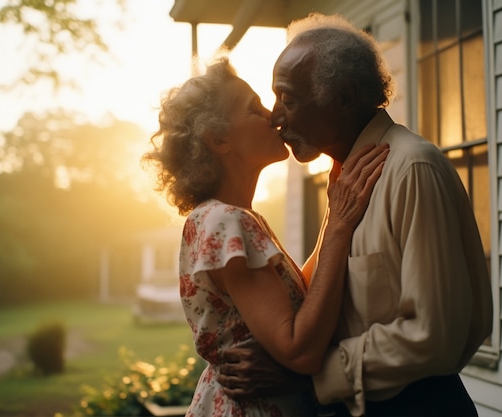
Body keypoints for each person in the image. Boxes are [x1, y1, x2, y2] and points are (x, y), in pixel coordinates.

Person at [217, 13, 494, 417]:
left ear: (344, 97)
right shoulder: (346, 181)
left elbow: (435, 335)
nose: (276, 116)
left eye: (288, 98)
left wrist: (310, 378)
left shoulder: (412, 169)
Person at [142, 57, 390, 416]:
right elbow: (298, 349)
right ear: (219, 140)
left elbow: (300, 295)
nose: (273, 116)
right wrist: (338, 228)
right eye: (253, 109)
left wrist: (335, 210)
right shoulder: (226, 222)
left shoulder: (226, 217)